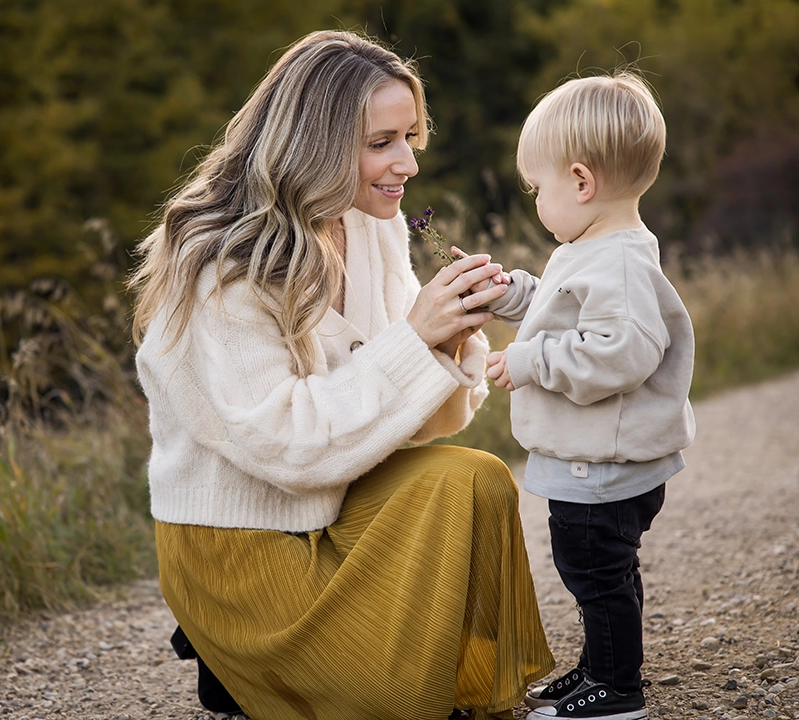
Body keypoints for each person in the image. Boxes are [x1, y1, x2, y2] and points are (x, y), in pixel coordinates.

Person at [127, 29, 554, 720]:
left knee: (475, 478)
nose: (407, 163)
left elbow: (416, 425)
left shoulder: (371, 224)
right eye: (381, 141)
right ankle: (239, 660)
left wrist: (449, 339)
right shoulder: (219, 265)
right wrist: (414, 340)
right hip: (247, 546)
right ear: (315, 144)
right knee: (400, 701)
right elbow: (287, 448)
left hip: (335, 506)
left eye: (411, 136)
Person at [483, 71, 696, 720]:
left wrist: (531, 360)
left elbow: (620, 353)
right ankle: (602, 670)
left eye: (537, 187)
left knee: (596, 575)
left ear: (581, 181)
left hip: (602, 468)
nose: (535, 201)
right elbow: (562, 310)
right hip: (594, 461)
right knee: (597, 575)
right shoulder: (592, 249)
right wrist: (510, 293)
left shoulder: (619, 262)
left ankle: (616, 691)